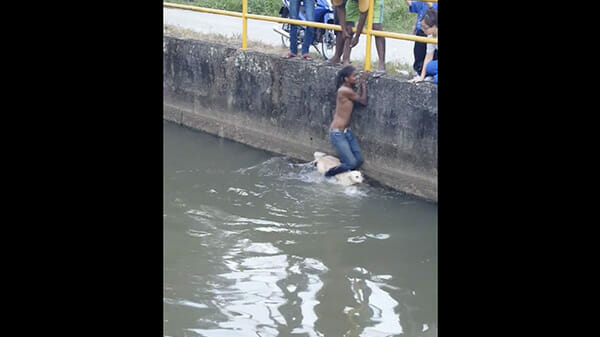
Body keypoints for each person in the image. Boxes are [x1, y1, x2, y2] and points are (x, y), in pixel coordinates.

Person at [324, 65, 369, 177]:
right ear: (346, 79)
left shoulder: (347, 89)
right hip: (337, 133)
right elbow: (363, 102)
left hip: (346, 132)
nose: (356, 78)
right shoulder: (344, 90)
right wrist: (363, 83)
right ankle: (328, 174)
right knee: (351, 163)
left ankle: (342, 171)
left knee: (359, 160)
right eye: (354, 76)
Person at [326, 0, 386, 78]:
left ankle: (381, 64)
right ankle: (342, 58)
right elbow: (340, 7)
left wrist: (357, 36)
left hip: (373, 1)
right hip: (353, 1)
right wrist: (344, 30)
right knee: (348, 25)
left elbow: (363, 13)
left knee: (375, 27)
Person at [405, 1, 438, 78]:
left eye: (425, 28)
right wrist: (421, 77)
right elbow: (428, 56)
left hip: (430, 24)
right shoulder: (430, 36)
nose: (424, 29)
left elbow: (432, 7)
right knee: (428, 66)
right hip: (423, 34)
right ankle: (421, 72)